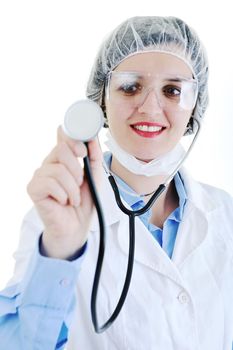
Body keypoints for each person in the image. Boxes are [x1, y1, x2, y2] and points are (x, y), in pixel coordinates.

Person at [0, 15, 233, 350]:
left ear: (195, 107)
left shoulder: (225, 213)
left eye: (172, 90)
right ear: (101, 101)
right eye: (130, 86)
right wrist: (62, 251)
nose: (151, 108)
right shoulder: (51, 223)